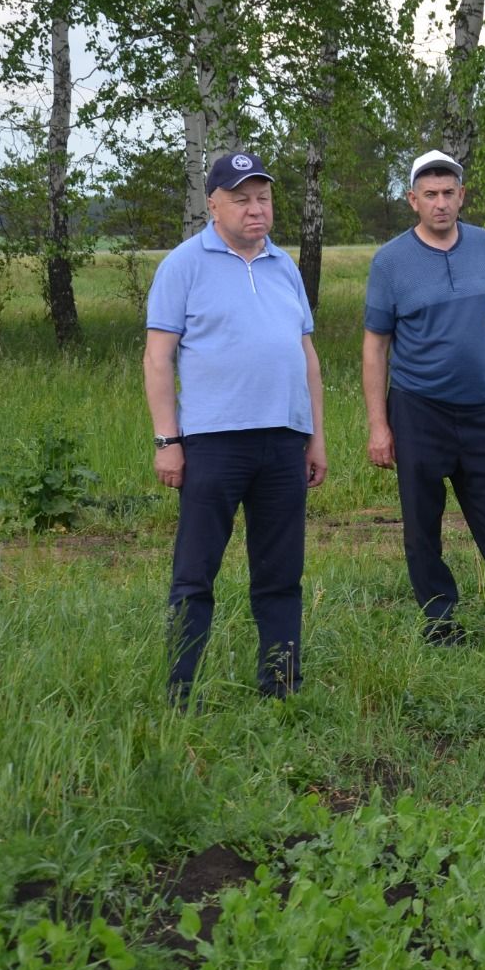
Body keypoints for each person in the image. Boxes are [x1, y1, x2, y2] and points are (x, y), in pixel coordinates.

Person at [144, 152, 327, 705]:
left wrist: (315, 436)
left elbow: (307, 357)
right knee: (195, 573)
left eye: (264, 198)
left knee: (280, 574)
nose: (256, 210)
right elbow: (158, 359)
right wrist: (167, 440)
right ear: (214, 204)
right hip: (213, 444)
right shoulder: (184, 264)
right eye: (243, 199)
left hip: (282, 441)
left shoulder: (283, 266)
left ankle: (281, 687)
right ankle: (181, 691)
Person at [362, 150, 485, 646]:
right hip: (417, 408)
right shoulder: (390, 262)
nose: (441, 203)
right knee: (422, 526)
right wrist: (379, 425)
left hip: (481, 410)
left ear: (462, 196)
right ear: (413, 200)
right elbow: (375, 346)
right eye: (430, 194)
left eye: (449, 193)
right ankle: (440, 622)